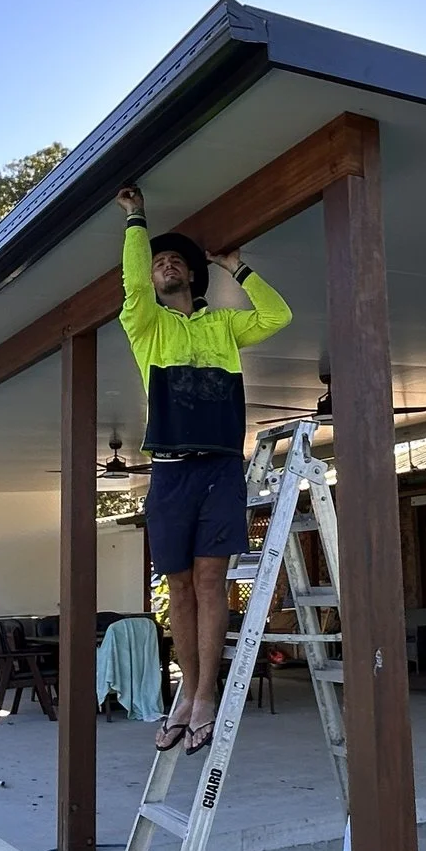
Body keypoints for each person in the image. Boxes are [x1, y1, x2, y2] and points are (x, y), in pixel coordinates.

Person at [112, 183, 292, 755]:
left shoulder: (224, 329)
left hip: (217, 468)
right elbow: (133, 280)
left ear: (190, 275)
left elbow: (278, 314)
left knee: (212, 581)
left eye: (174, 261)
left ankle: (205, 694)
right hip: (168, 472)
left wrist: (237, 268)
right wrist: (137, 219)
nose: (163, 266)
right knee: (179, 586)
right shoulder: (147, 326)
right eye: (157, 261)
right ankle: (186, 692)